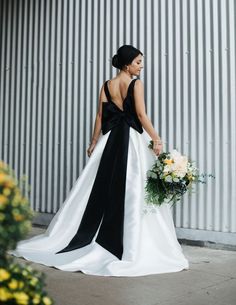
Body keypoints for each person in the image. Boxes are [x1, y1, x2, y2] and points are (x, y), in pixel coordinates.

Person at [10, 45, 189, 276]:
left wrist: (94, 142)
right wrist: (156, 139)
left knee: (104, 185)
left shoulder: (107, 85)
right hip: (132, 139)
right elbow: (141, 115)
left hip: (111, 138)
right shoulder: (136, 84)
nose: (141, 66)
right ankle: (133, 241)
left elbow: (100, 115)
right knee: (134, 187)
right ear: (127, 64)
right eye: (138, 62)